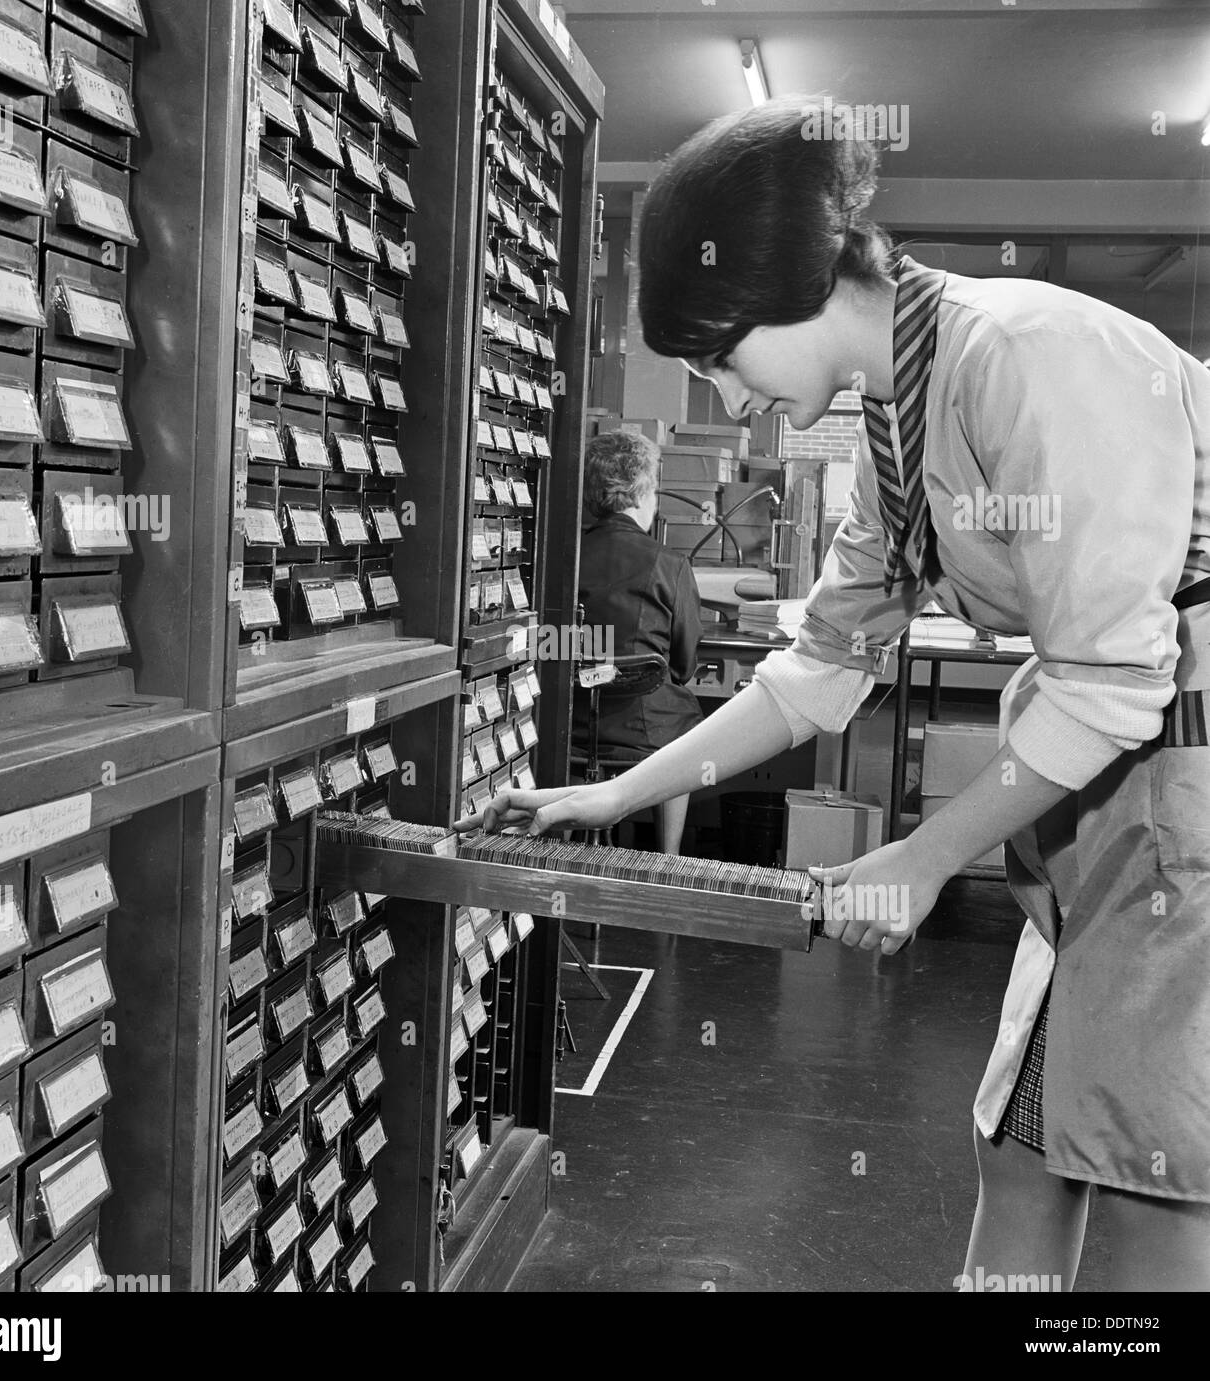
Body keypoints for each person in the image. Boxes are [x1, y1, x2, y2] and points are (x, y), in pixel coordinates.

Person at [457, 97, 1210, 1291]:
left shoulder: (1019, 356)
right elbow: (819, 669)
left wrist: (915, 858)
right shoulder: (896, 413)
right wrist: (616, 792)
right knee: (1024, 1132)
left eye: (720, 358)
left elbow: (1113, 685)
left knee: (1153, 1173)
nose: (730, 393)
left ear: (782, 298)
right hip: (1111, 787)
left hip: (1180, 776)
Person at [574, 429, 703, 854]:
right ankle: (667, 862)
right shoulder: (670, 564)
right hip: (648, 733)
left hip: (572, 728)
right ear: (644, 492)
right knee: (688, 739)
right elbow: (683, 666)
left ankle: (558, 853)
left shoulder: (561, 559)